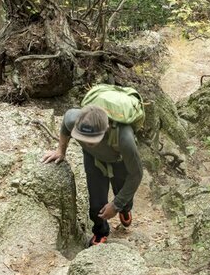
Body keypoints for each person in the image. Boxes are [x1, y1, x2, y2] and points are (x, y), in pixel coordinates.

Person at [42, 105, 143, 246]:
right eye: (83, 137)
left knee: (123, 195)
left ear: (106, 130)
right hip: (93, 159)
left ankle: (125, 209)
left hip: (120, 160)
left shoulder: (124, 137)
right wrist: (60, 151)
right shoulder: (74, 119)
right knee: (96, 204)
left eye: (92, 139)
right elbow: (65, 123)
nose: (87, 143)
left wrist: (116, 205)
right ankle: (100, 231)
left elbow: (136, 174)